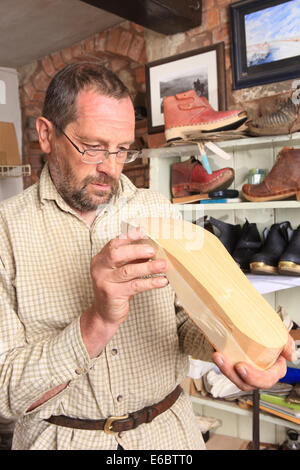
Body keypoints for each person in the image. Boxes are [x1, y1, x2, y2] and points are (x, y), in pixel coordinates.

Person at [0, 62, 296, 450]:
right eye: (93, 147)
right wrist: (97, 321)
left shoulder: (156, 208)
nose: (110, 168)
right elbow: (6, 394)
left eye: (122, 149)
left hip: (168, 438)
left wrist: (237, 350)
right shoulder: (5, 232)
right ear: (46, 134)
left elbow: (182, 324)